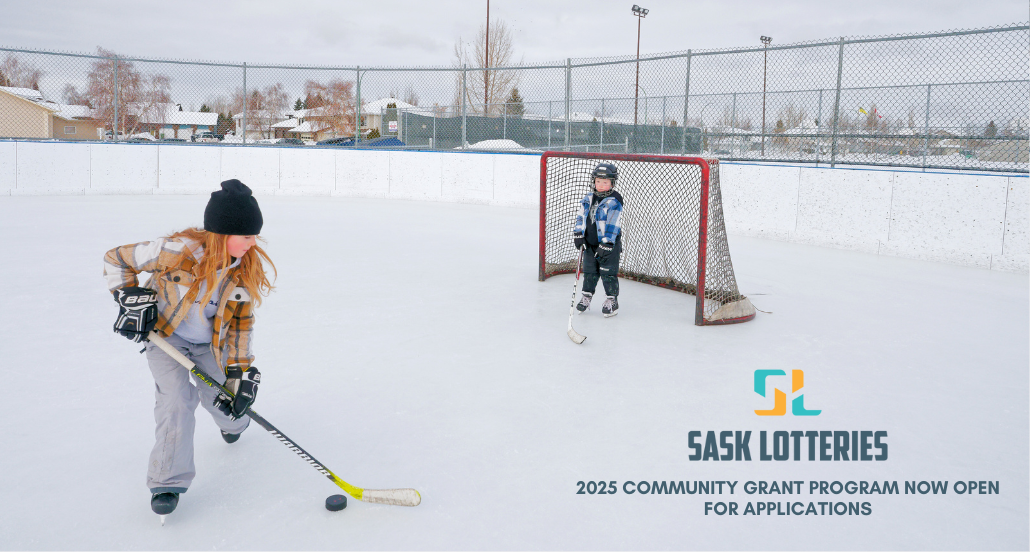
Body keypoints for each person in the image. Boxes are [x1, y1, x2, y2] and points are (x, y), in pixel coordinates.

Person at [103, 179, 276, 517]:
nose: (252, 243)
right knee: (176, 403)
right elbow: (116, 259)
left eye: (254, 235)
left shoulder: (242, 271)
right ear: (222, 233)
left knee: (224, 401)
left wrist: (239, 371)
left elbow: (241, 323)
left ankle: (234, 427)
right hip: (166, 339)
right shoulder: (174, 251)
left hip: (209, 346)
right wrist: (127, 296)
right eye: (246, 236)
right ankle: (166, 480)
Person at [573, 163, 624, 317]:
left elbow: (613, 223)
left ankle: (612, 300)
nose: (601, 185)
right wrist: (578, 234)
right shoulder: (588, 198)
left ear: (612, 183)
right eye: (598, 181)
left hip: (608, 246)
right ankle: (586, 296)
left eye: (605, 182)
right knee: (589, 272)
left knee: (608, 274)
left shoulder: (615, 200)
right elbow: (581, 217)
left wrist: (607, 243)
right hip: (590, 244)